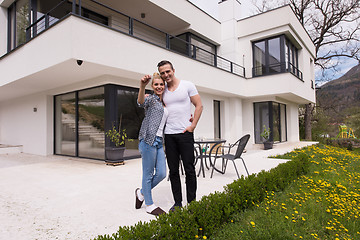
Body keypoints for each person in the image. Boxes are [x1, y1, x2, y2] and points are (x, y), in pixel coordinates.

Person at [157, 60, 203, 212]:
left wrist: (193, 125)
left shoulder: (187, 85)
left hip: (185, 134)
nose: (165, 75)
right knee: (174, 171)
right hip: (169, 135)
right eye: (162, 73)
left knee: (189, 169)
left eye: (167, 71)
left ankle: (192, 202)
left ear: (173, 70)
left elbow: (199, 105)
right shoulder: (162, 90)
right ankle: (177, 203)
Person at [135, 73, 168, 216]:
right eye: (156, 84)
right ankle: (149, 204)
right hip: (148, 140)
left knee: (161, 173)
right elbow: (140, 102)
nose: (159, 86)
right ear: (152, 86)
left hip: (160, 142)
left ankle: (141, 193)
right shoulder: (151, 99)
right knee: (148, 175)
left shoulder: (165, 102)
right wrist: (142, 86)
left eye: (161, 84)